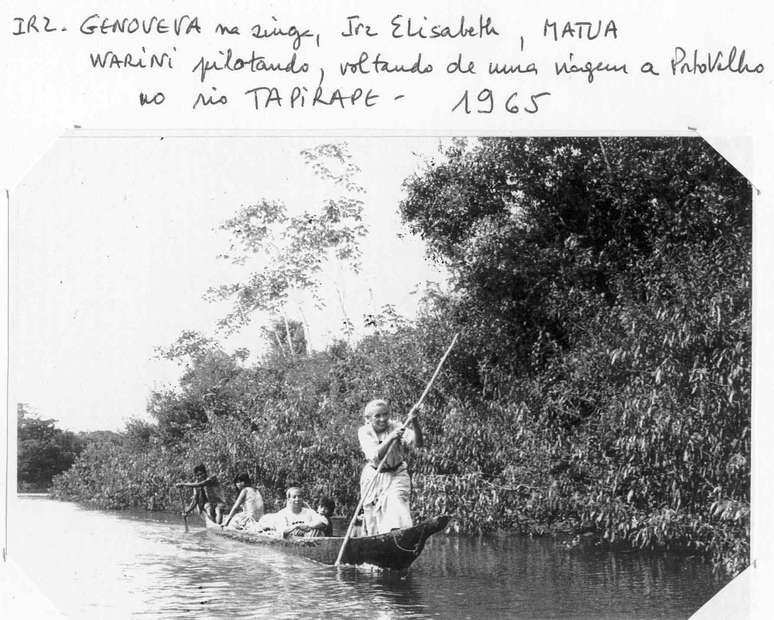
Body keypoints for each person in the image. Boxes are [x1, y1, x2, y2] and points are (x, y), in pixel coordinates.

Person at [357, 399, 423, 535]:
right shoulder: (364, 432)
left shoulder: (396, 426)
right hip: (373, 476)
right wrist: (391, 438)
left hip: (396, 474)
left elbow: (418, 444)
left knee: (396, 502)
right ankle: (376, 542)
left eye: (385, 414)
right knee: (372, 519)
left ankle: (399, 536)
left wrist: (414, 421)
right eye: (378, 416)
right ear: (368, 419)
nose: (383, 419)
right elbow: (374, 455)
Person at [258, 486, 327, 538]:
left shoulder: (309, 512)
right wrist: (296, 527)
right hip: (291, 539)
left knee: (317, 531)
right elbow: (283, 532)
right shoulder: (282, 514)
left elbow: (324, 522)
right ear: (289, 499)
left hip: (307, 539)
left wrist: (308, 526)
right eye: (294, 497)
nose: (297, 499)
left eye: (299, 497)